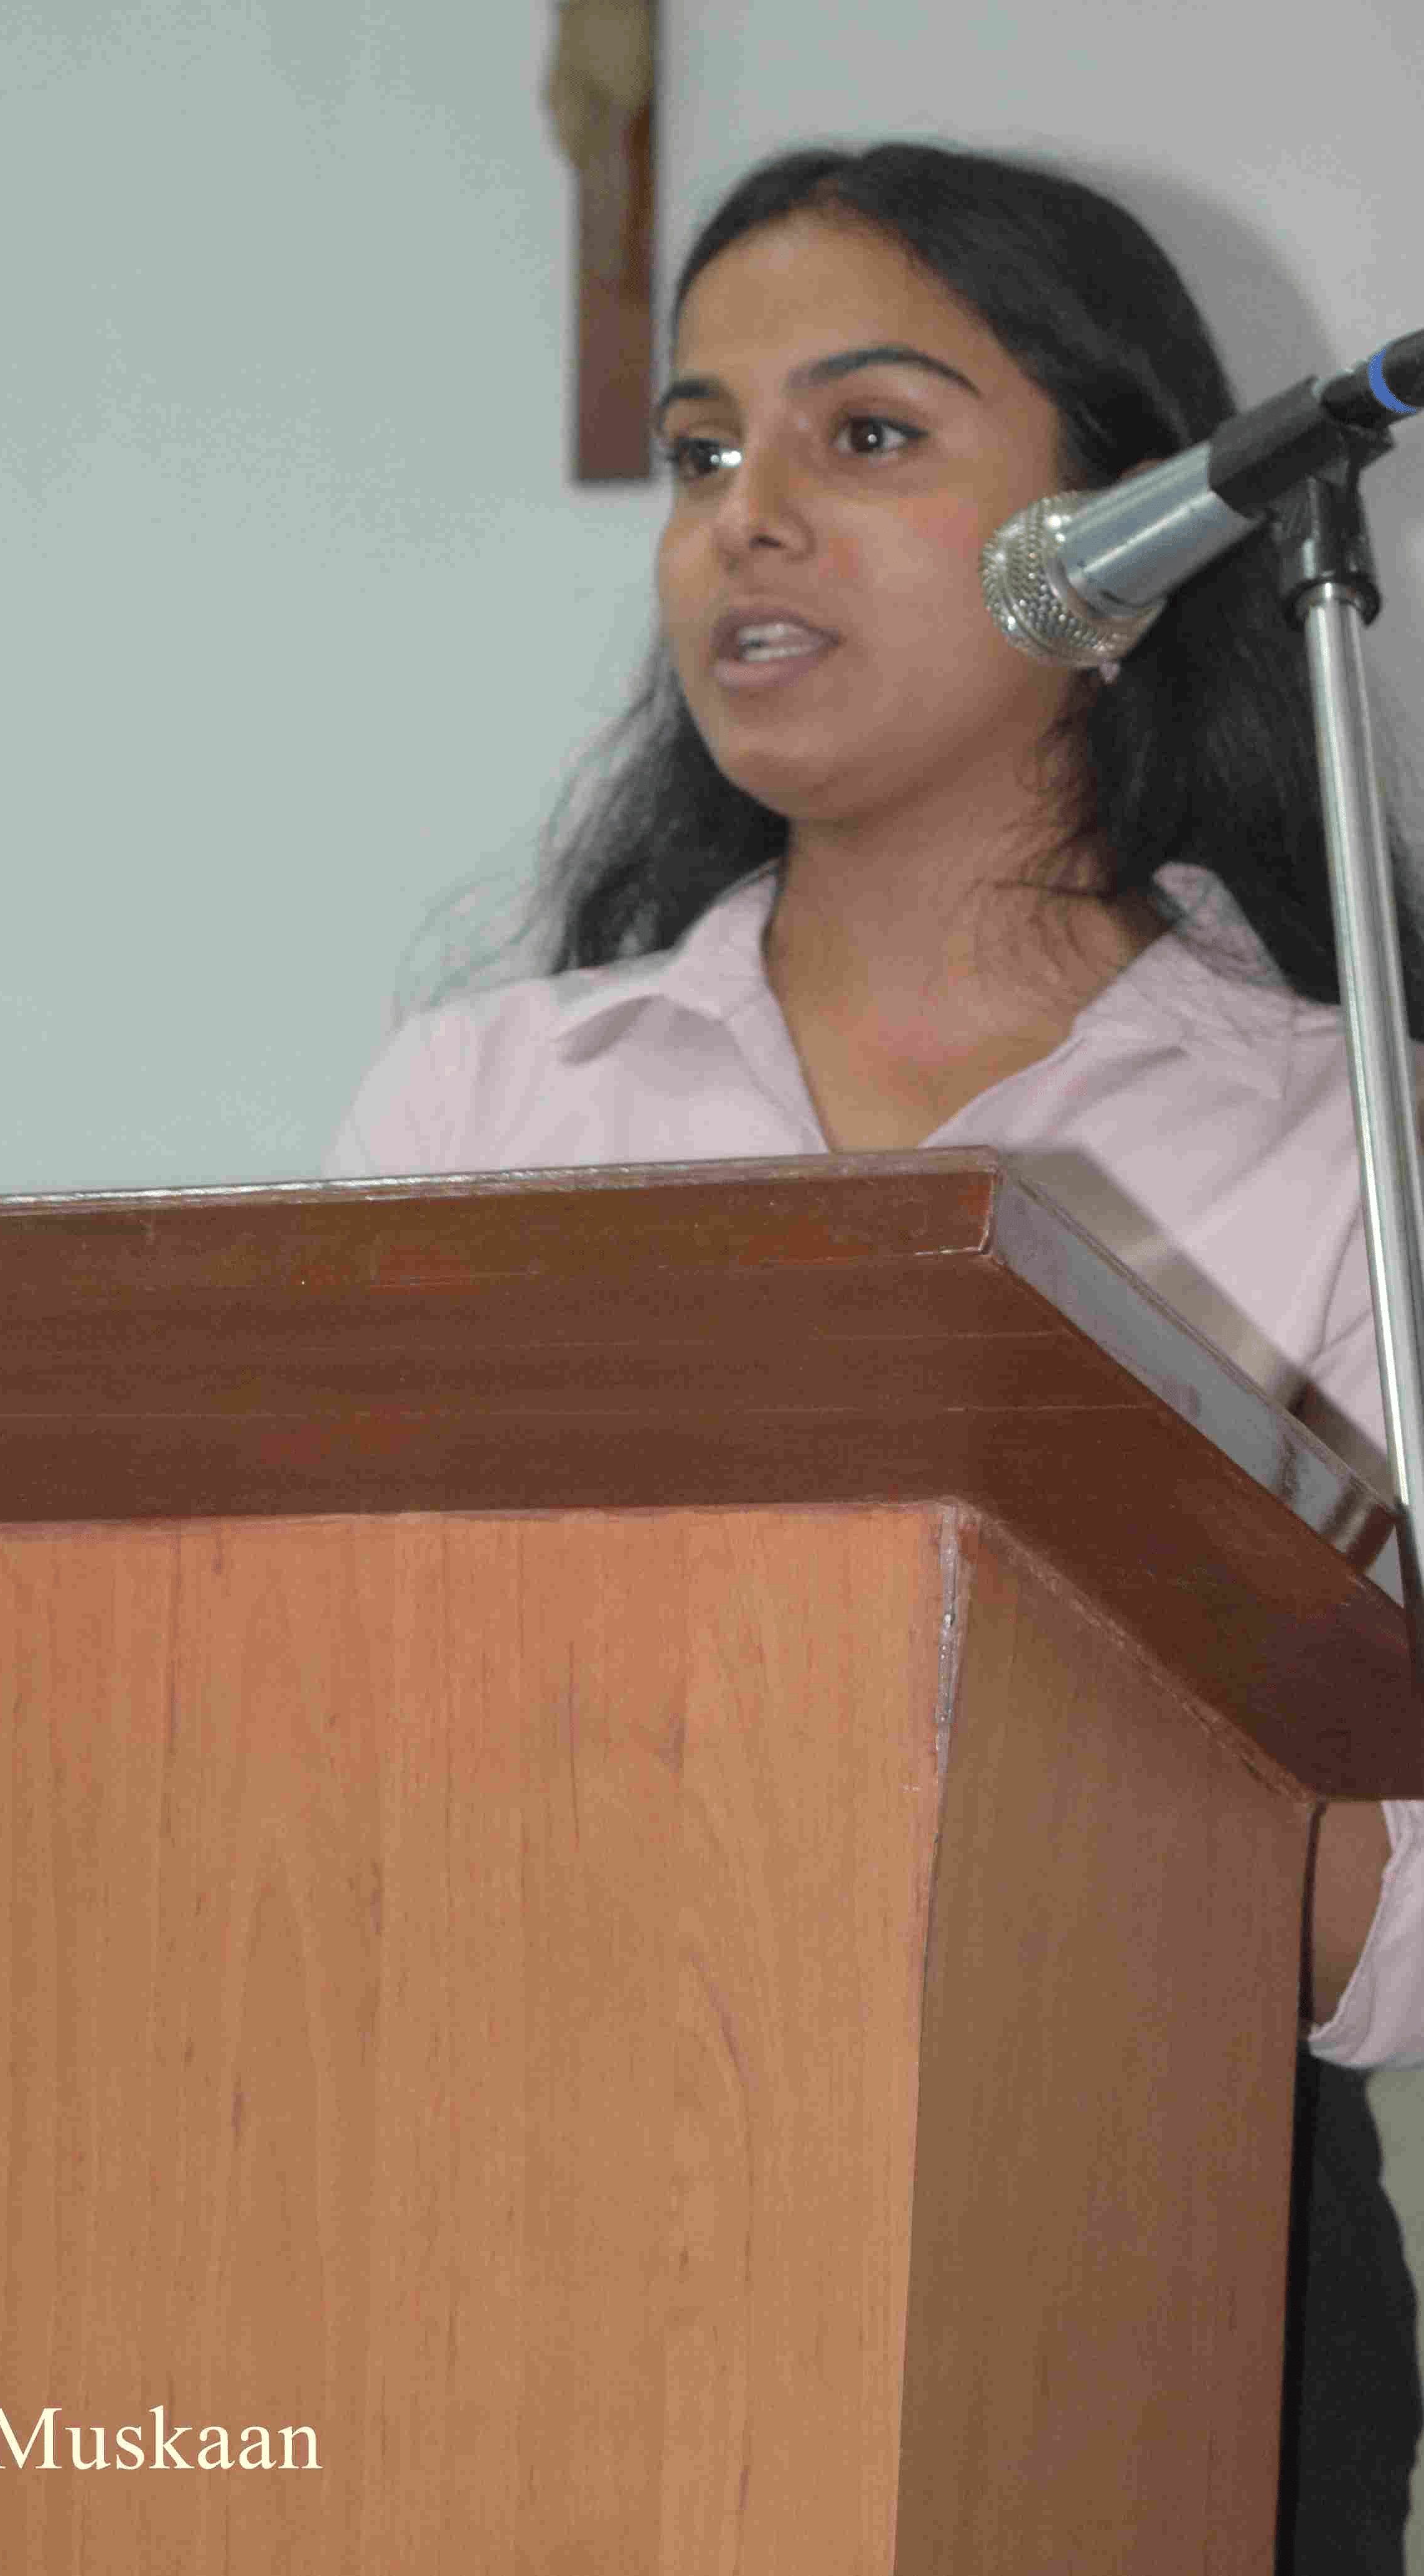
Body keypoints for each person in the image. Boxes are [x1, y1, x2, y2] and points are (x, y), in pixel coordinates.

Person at [324, 141, 1424, 2566]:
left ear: (1127, 535)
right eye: (701, 448)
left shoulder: (1350, 1141)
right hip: (555, 2207)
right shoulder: (495, 1104)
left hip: (1167, 2246)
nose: (749, 515)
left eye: (870, 432)